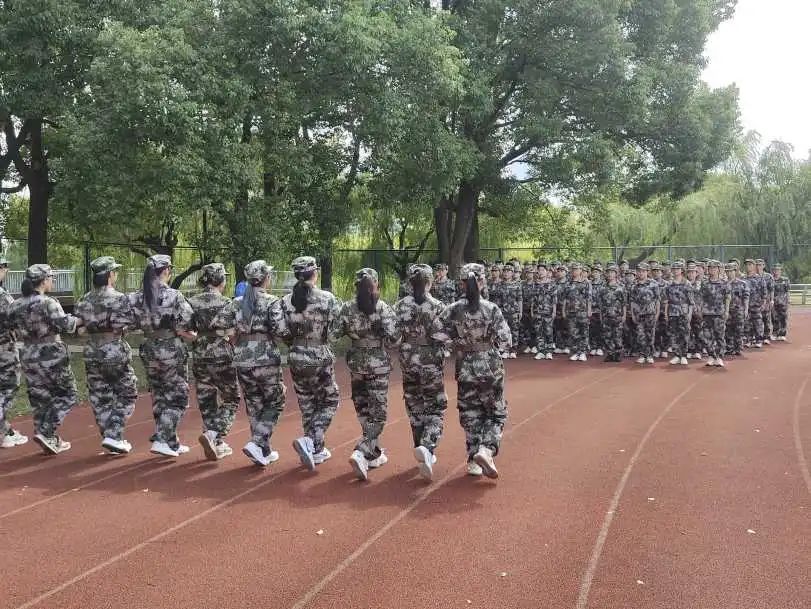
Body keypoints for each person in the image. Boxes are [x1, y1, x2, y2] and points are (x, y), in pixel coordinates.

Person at [431, 263, 511, 479]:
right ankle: (486, 449)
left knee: (470, 412)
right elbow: (506, 340)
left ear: (462, 283)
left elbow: (436, 332)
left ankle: (473, 459)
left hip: (465, 365)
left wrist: (456, 342)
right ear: (482, 281)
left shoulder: (454, 309)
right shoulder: (491, 308)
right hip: (489, 365)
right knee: (496, 411)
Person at [216, 260, 288, 467]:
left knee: (254, 404)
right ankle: (257, 442)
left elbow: (218, 325)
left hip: (242, 358)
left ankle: (263, 451)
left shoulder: (237, 302)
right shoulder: (272, 301)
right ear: (265, 278)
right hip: (266, 358)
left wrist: (233, 337)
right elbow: (281, 331)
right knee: (276, 401)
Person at [335, 268, 400, 481]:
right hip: (378, 366)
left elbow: (334, 335)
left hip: (356, 364)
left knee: (363, 408)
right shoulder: (382, 308)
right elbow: (394, 338)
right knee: (378, 413)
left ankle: (373, 454)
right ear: (376, 285)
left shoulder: (347, 308)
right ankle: (361, 450)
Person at [9, 264, 81, 454]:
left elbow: (9, 325)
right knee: (68, 394)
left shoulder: (15, 304)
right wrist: (79, 319)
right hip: (51, 354)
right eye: (51, 277)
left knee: (39, 397)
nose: (52, 281)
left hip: (28, 353)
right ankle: (46, 431)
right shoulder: (48, 302)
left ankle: (48, 438)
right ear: (43, 281)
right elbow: (66, 325)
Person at [130, 255, 196, 458]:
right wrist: (186, 333)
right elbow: (187, 322)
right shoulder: (174, 295)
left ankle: (171, 442)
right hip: (170, 349)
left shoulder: (137, 297)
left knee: (159, 395)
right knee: (178, 396)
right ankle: (161, 439)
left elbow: (130, 322)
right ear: (166, 270)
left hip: (149, 348)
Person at [280, 256, 341, 471]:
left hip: (296, 356)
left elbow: (282, 331)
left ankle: (315, 449)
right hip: (319, 355)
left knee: (307, 404)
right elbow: (334, 332)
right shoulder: (326, 298)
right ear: (314, 273)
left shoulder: (285, 301)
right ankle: (311, 440)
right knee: (330, 400)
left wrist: (295, 344)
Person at [75, 256, 139, 454]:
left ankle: (110, 437)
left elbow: (79, 328)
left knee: (99, 396)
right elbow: (130, 323)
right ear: (110, 275)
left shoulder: (84, 299)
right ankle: (114, 434)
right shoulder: (120, 298)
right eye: (115, 272)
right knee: (127, 393)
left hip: (92, 352)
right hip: (114, 350)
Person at [393, 263, 448, 480]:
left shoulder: (399, 306)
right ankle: (427, 445)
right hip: (430, 360)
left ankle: (420, 446)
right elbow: (445, 336)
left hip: (408, 360)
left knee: (414, 404)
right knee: (435, 406)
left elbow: (393, 336)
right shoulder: (438, 306)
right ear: (429, 282)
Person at [188, 263, 240, 461]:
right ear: (220, 280)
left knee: (206, 398)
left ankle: (216, 443)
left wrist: (200, 337)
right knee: (232, 397)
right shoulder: (227, 302)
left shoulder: (191, 301)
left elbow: (185, 328)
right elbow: (233, 333)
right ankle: (213, 434)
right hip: (222, 353)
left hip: (199, 353)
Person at [0, 256, 26, 448]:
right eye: (4, 267)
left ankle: (5, 428)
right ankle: (3, 433)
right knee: (8, 386)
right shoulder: (2, 296)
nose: (6, 270)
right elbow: (16, 318)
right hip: (4, 349)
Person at [700, 260, 731, 367]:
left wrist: (726, 311)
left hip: (719, 313)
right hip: (707, 313)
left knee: (719, 336)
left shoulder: (724, 283)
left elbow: (727, 298)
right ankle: (711, 355)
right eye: (710, 268)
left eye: (714, 268)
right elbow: (701, 298)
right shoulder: (704, 283)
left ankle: (719, 357)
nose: (712, 270)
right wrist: (700, 309)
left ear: (718, 269)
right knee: (706, 336)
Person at [664, 261, 694, 365]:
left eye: (677, 269)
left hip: (683, 312)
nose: (675, 271)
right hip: (672, 312)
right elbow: (667, 301)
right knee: (673, 334)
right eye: (674, 269)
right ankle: (677, 355)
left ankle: (684, 355)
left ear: (682, 270)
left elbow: (691, 302)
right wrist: (666, 313)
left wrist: (689, 314)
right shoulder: (669, 285)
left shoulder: (687, 284)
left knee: (684, 334)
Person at [630, 263, 660, 365]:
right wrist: (633, 314)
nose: (641, 273)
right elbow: (632, 302)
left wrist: (657, 313)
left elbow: (657, 300)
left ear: (647, 272)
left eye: (643, 271)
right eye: (639, 271)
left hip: (650, 313)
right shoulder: (634, 285)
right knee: (640, 335)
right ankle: (642, 355)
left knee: (650, 335)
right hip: (639, 314)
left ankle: (650, 355)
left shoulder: (653, 284)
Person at [562, 262, 591, 361]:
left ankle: (583, 352)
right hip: (571, 312)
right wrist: (563, 310)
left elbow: (589, 298)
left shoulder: (586, 283)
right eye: (573, 269)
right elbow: (565, 299)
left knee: (584, 332)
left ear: (580, 270)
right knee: (573, 332)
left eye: (577, 269)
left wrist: (589, 310)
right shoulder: (568, 283)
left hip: (582, 311)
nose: (574, 271)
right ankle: (575, 351)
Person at [597, 263, 626, 362]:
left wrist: (624, 315)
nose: (610, 274)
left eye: (612, 272)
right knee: (607, 335)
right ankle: (610, 353)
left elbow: (624, 303)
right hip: (606, 315)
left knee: (617, 335)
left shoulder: (621, 287)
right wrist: (601, 315)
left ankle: (618, 353)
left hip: (617, 315)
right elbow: (600, 304)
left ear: (616, 274)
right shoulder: (602, 288)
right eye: (608, 272)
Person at [532, 263, 557, 360]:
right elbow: (533, 299)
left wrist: (554, 311)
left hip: (548, 311)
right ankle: (541, 351)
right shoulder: (535, 284)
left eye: (543, 270)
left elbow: (554, 299)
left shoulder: (552, 284)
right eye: (539, 270)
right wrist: (532, 311)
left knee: (548, 331)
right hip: (537, 311)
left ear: (547, 272)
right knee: (538, 332)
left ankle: (549, 351)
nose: (541, 272)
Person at [725, 262, 749, 356]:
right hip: (727, 311)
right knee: (728, 330)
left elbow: (746, 298)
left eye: (731, 271)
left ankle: (738, 348)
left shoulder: (742, 284)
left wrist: (746, 309)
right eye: (727, 271)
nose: (729, 273)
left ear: (735, 271)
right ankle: (729, 348)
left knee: (739, 330)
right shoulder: (723, 283)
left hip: (738, 310)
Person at [499, 263, 522, 358]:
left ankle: (513, 350)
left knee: (514, 331)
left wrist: (520, 311)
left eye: (508, 271)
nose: (506, 273)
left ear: (512, 273)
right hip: (503, 312)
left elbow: (520, 299)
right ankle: (506, 349)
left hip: (514, 312)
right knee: (504, 331)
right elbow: (498, 300)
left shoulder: (517, 285)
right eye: (504, 271)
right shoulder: (500, 285)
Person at [744, 258, 766, 348]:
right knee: (747, 323)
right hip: (746, 305)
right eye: (746, 265)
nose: (748, 266)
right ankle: (748, 340)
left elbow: (764, 292)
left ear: (754, 266)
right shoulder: (743, 279)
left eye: (750, 265)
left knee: (758, 322)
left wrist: (764, 303)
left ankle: (759, 340)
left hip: (756, 304)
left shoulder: (759, 278)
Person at [772, 264, 790, 340]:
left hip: (783, 302)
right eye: (775, 270)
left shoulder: (785, 280)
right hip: (774, 302)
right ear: (773, 271)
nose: (776, 271)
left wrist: (788, 301)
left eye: (778, 270)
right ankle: (775, 333)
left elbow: (787, 291)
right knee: (774, 318)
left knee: (783, 318)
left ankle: (782, 334)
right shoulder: (771, 279)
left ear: (781, 271)